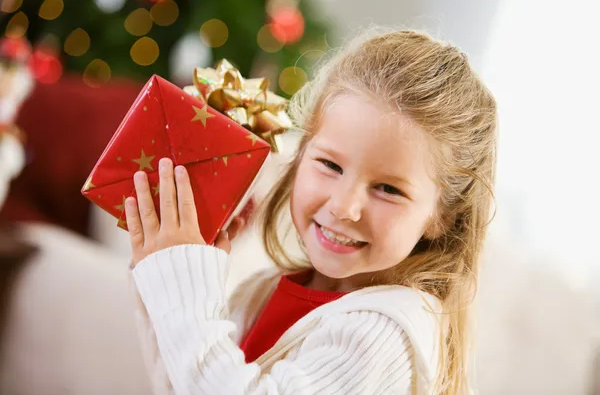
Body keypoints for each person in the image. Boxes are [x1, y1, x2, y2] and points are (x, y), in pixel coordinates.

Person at [125, 29, 497, 394]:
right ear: (300, 154)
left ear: (444, 216)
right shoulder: (265, 289)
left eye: (388, 189)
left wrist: (184, 284)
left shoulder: (381, 336)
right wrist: (164, 276)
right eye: (330, 166)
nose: (343, 206)